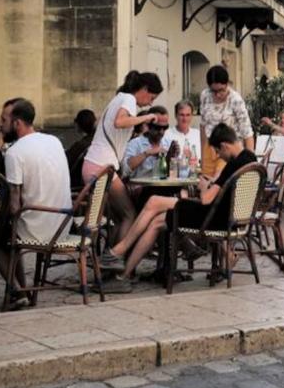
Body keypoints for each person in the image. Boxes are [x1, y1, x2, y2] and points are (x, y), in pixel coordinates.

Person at [101, 123, 257, 291]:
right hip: (231, 218)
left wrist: (204, 186)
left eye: (218, 152)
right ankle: (122, 272)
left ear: (225, 145)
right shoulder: (250, 159)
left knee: (154, 202)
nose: (219, 156)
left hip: (213, 217)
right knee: (156, 220)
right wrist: (214, 183)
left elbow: (205, 199)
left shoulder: (233, 164)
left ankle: (118, 255)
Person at [2, 99, 72, 305]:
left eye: (4, 119)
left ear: (17, 123)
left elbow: (14, 205)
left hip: (38, 229)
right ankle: (21, 291)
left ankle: (19, 291)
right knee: (8, 229)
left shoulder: (14, 152)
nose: (0, 125)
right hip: (63, 224)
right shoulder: (54, 141)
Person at [83, 71, 163, 240]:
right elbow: (119, 122)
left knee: (107, 218)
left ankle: (96, 253)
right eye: (152, 98)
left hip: (94, 164)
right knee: (129, 214)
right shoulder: (129, 99)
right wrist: (145, 118)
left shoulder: (119, 97)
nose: (150, 103)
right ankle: (113, 256)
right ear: (144, 89)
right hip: (103, 167)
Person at [200, 66, 254, 178]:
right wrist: (202, 153)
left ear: (227, 85)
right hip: (210, 148)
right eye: (213, 91)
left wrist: (250, 165)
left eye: (221, 90)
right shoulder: (205, 96)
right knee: (205, 181)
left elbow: (247, 132)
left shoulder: (235, 100)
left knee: (219, 182)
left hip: (228, 149)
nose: (217, 94)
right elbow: (203, 125)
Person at [121, 106, 172, 179]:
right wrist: (147, 153)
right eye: (157, 128)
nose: (161, 131)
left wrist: (172, 157)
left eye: (165, 128)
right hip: (141, 187)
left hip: (163, 186)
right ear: (148, 126)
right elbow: (125, 170)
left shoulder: (168, 143)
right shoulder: (135, 143)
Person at [65, 109, 96, 188]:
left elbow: (65, 161)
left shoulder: (80, 145)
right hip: (91, 180)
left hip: (76, 183)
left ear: (78, 124)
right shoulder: (97, 141)